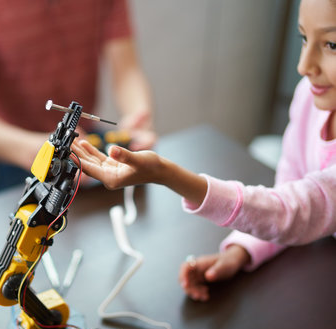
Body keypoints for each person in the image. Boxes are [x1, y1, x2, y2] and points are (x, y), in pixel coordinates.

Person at [73, 0, 336, 302]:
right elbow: (288, 197)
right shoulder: (308, 97)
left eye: (331, 44)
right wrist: (240, 251)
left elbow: (293, 212)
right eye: (304, 37)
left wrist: (165, 173)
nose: (304, 66)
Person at [0, 0, 157, 196]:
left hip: (81, 141)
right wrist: (35, 149)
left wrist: (137, 117)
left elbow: (126, 70)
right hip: (5, 160)